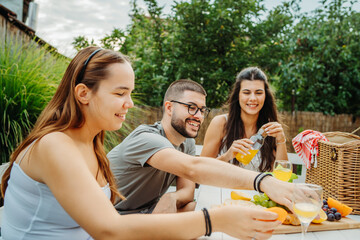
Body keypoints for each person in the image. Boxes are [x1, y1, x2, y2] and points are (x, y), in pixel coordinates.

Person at [1, 47, 287, 240]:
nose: (130, 102)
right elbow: (109, 229)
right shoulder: (55, 145)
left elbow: (189, 179)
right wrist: (216, 219)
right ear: (83, 93)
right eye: (121, 93)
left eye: (131, 92)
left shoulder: (89, 145)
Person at [108, 78, 293, 216]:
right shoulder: (147, 139)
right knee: (208, 218)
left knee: (203, 210)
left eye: (202, 110)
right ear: (169, 108)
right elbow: (194, 168)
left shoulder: (185, 142)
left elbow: (188, 193)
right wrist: (264, 181)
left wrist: (171, 197)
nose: (198, 115)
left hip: (144, 212)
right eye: (191, 107)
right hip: (112, 218)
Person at [201, 67, 288, 172]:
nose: (253, 98)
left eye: (258, 93)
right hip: (222, 188)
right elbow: (201, 170)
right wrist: (227, 156)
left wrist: (281, 140)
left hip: (257, 188)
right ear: (238, 95)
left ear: (266, 96)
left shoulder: (270, 129)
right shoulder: (221, 123)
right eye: (246, 92)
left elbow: (282, 176)